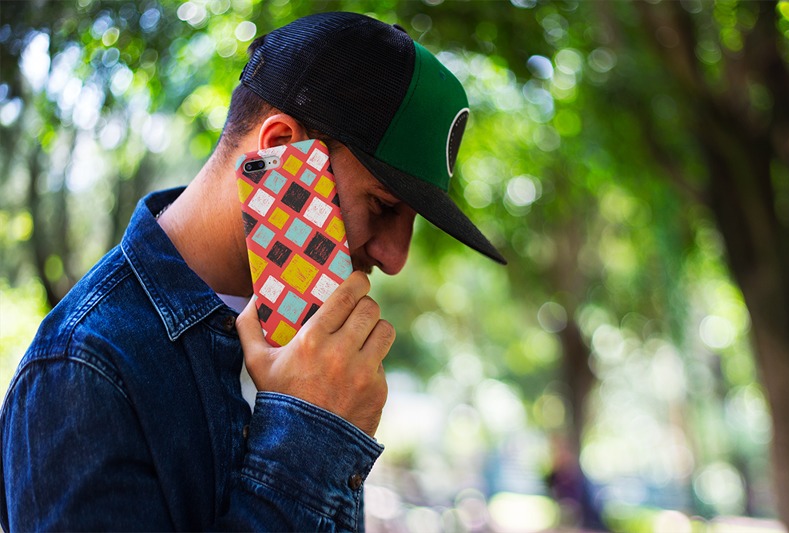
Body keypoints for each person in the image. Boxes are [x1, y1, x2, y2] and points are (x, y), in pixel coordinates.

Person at [0, 11, 506, 531]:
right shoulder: (82, 368)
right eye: (382, 205)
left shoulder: (307, 344)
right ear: (281, 147)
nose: (395, 258)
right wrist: (310, 432)